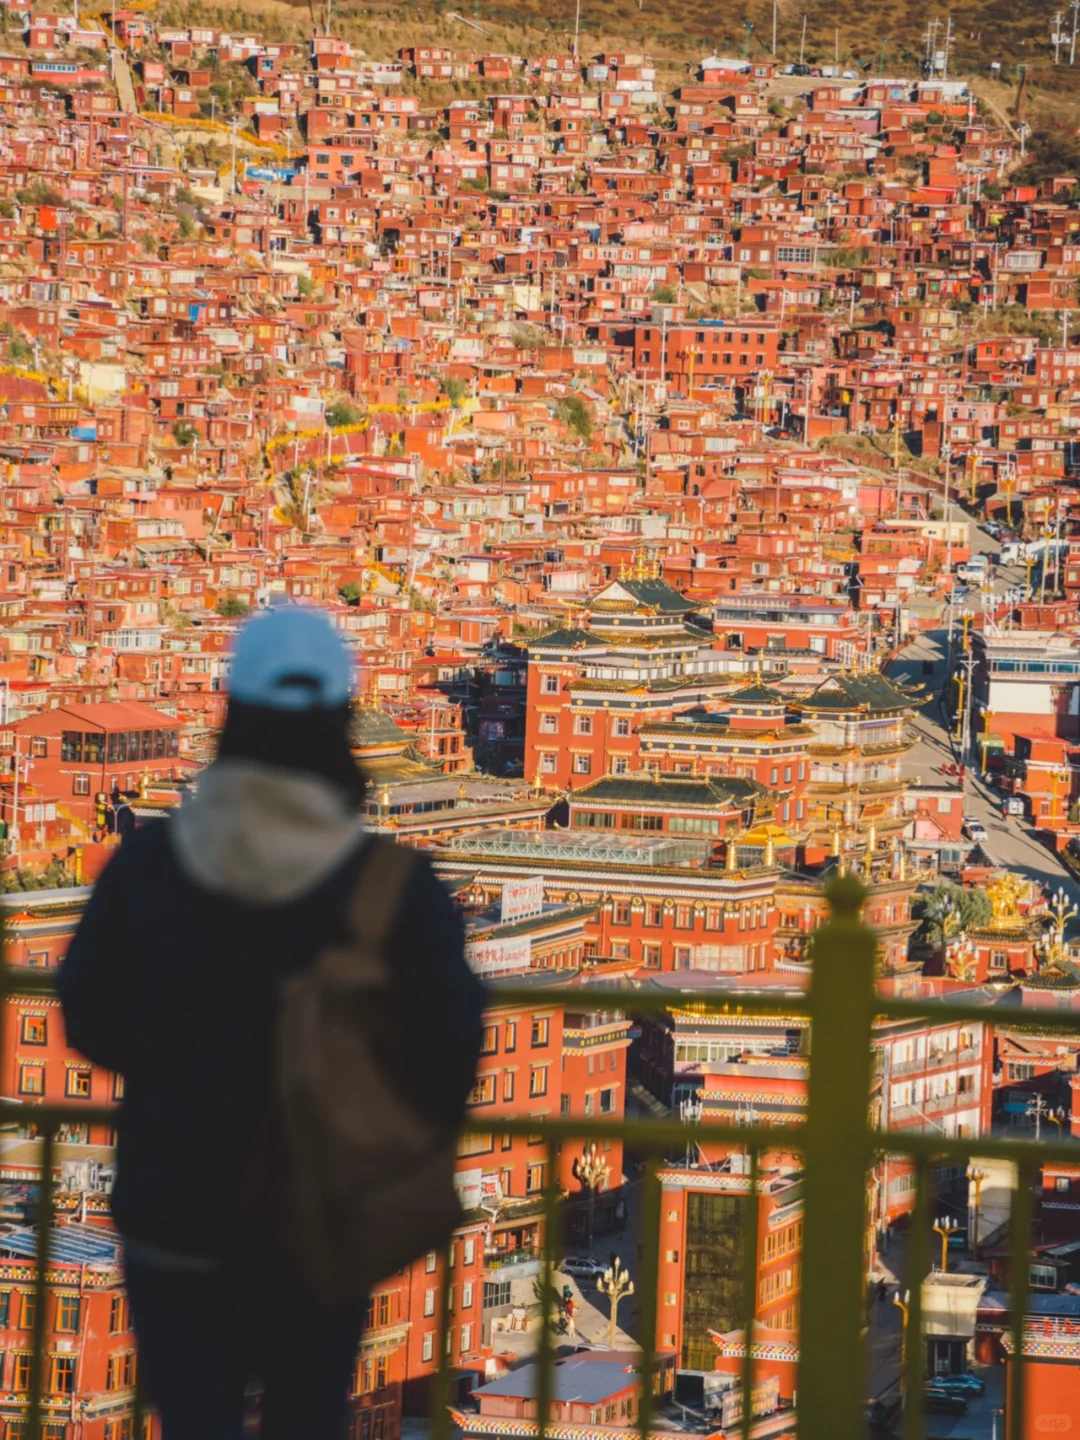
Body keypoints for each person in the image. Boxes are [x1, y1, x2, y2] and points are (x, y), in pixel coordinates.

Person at [58, 605, 486, 1440]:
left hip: (176, 1212)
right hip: (323, 1222)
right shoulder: (393, 888)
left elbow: (89, 1013)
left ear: (234, 712)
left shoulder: (152, 864)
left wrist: (172, 1065)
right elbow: (450, 1053)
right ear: (340, 720)